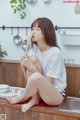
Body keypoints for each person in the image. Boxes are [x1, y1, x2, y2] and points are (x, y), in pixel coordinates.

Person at [7, 17, 67, 112]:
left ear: (46, 32)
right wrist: (24, 68)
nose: (33, 32)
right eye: (32, 29)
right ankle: (34, 99)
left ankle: (23, 96)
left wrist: (30, 66)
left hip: (55, 94)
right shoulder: (33, 49)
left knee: (34, 72)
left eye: (37, 29)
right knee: (33, 59)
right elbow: (30, 81)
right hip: (39, 92)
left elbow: (46, 82)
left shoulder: (55, 53)